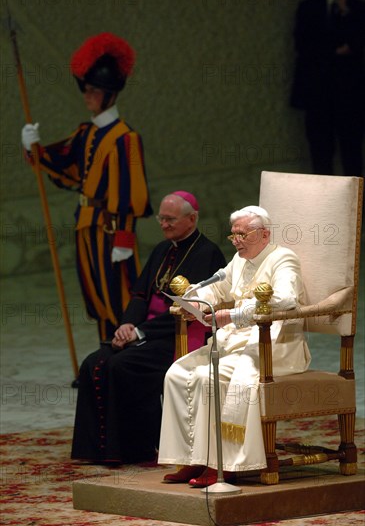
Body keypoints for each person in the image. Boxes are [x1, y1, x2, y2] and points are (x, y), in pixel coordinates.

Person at [158, 205, 311, 487]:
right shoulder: (240, 259)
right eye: (234, 235)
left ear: (264, 234)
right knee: (177, 374)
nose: (237, 240)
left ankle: (224, 464)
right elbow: (217, 286)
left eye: (243, 234)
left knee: (208, 377)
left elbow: (287, 300)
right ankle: (192, 458)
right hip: (237, 341)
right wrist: (195, 298)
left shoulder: (283, 259)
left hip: (273, 343)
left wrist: (233, 315)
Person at [71, 191, 226, 464]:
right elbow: (140, 295)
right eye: (161, 218)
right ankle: (96, 449)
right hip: (142, 332)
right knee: (92, 363)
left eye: (170, 220)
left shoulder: (208, 254)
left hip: (176, 337)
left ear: (191, 219)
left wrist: (140, 333)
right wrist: (127, 324)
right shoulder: (161, 250)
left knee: (122, 365)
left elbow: (192, 309)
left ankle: (134, 449)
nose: (164, 225)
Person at [21, 33, 152, 341]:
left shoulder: (125, 138)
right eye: (86, 89)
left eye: (93, 90)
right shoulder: (87, 132)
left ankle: (125, 354)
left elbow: (131, 191)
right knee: (95, 294)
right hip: (86, 225)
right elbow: (66, 162)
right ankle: (105, 357)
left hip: (111, 229)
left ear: (108, 94)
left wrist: (124, 236)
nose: (87, 96)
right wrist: (34, 149)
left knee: (117, 295)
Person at [290, 0, 365, 176]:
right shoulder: (309, 8)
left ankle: (357, 204)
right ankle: (324, 202)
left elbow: (358, 43)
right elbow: (303, 44)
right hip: (318, 93)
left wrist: (344, 12)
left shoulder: (358, 9)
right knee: (320, 153)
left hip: (350, 95)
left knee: (353, 153)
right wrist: (333, 51)